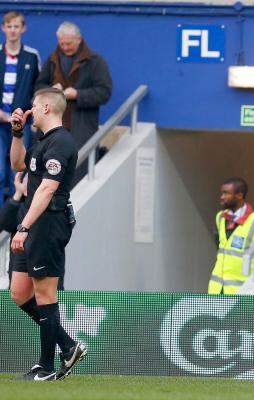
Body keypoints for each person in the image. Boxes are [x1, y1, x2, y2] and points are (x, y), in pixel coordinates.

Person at [9, 87, 84, 380]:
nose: (29, 111)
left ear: (46, 109)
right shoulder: (42, 141)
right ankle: (68, 346)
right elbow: (17, 164)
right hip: (33, 222)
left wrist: (24, 227)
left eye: (33, 106)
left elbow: (48, 187)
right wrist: (17, 133)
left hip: (48, 222)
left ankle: (46, 367)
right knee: (19, 292)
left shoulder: (62, 142)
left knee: (44, 295)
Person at [35, 21, 112, 181]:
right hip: (52, 128)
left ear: (79, 39)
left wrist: (77, 94)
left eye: (68, 43)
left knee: (77, 175)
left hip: (81, 129)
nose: (65, 47)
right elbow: (38, 87)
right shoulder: (52, 60)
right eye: (61, 43)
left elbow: (104, 92)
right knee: (47, 175)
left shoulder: (95, 61)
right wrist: (51, 89)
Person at [0, 11, 40, 205]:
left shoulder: (31, 56)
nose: (13, 30)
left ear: (23, 28)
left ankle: (13, 219)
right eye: (9, 26)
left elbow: (38, 87)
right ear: (3, 28)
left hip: (20, 123)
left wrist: (30, 114)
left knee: (16, 173)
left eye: (17, 26)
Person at [207, 177, 254, 295]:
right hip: (216, 290)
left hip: (243, 293)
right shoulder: (220, 217)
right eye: (222, 193)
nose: (222, 197)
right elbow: (220, 247)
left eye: (226, 193)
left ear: (239, 196)